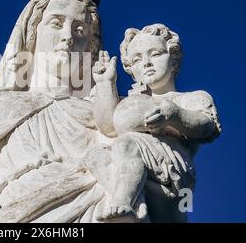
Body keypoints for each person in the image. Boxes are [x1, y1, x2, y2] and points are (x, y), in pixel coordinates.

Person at [90, 23, 221, 222]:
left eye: (155, 54)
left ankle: (123, 202)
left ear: (174, 60)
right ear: (131, 69)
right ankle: (136, 206)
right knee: (94, 155)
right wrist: (105, 83)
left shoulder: (190, 98)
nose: (146, 63)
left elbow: (207, 126)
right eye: (137, 59)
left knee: (127, 143)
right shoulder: (131, 102)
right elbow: (108, 126)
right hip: (131, 167)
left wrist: (174, 115)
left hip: (174, 175)